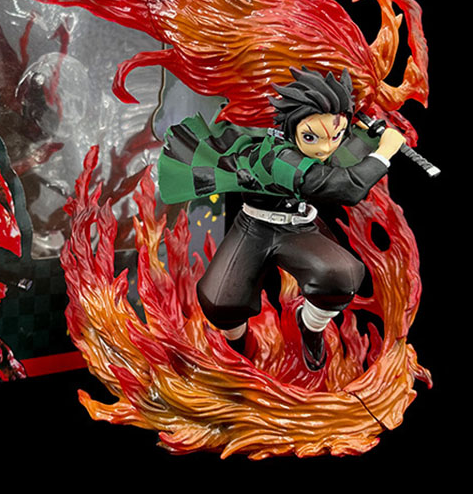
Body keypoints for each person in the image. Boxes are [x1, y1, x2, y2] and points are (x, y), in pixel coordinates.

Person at [158, 67, 405, 371]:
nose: (325, 149)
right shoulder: (277, 156)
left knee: (341, 276)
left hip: (299, 227)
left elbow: (350, 144)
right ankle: (239, 347)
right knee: (220, 301)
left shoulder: (325, 140)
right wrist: (385, 150)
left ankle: (311, 327)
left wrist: (373, 132)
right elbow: (344, 188)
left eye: (336, 136)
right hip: (254, 226)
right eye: (311, 137)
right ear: (290, 130)